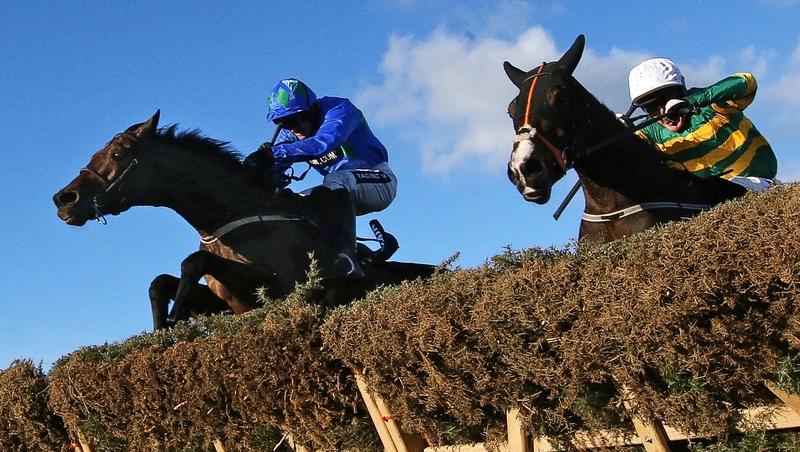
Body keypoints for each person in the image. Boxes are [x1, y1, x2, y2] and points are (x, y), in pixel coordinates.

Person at [245, 78, 397, 279]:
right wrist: (256, 171)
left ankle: (347, 257)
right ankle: (357, 252)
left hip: (379, 180)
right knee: (294, 204)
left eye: (293, 120)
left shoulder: (339, 109)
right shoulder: (292, 133)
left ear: (310, 109)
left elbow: (323, 143)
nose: (291, 129)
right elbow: (276, 164)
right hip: (341, 196)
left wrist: (273, 154)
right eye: (283, 123)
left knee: (333, 181)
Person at [627, 58, 778, 191]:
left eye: (667, 99)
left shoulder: (712, 105)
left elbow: (747, 81)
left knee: (727, 190)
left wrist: (694, 101)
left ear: (683, 90)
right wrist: (615, 128)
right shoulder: (647, 133)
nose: (662, 112)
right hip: (704, 204)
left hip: (757, 185)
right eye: (651, 107)